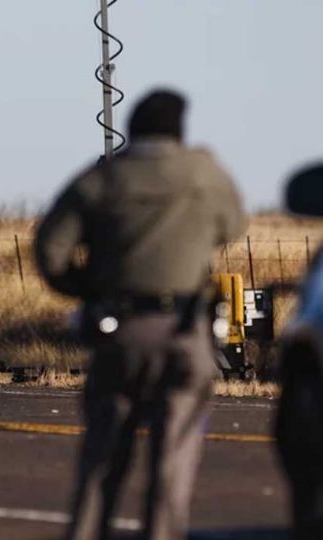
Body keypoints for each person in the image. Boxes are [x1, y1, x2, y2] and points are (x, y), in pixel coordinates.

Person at [33, 89, 246, 540]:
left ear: (132, 128)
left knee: (103, 461)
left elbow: (50, 253)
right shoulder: (204, 174)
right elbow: (233, 225)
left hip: (121, 330)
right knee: (172, 466)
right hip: (187, 332)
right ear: (179, 131)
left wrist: (88, 290)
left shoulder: (103, 178)